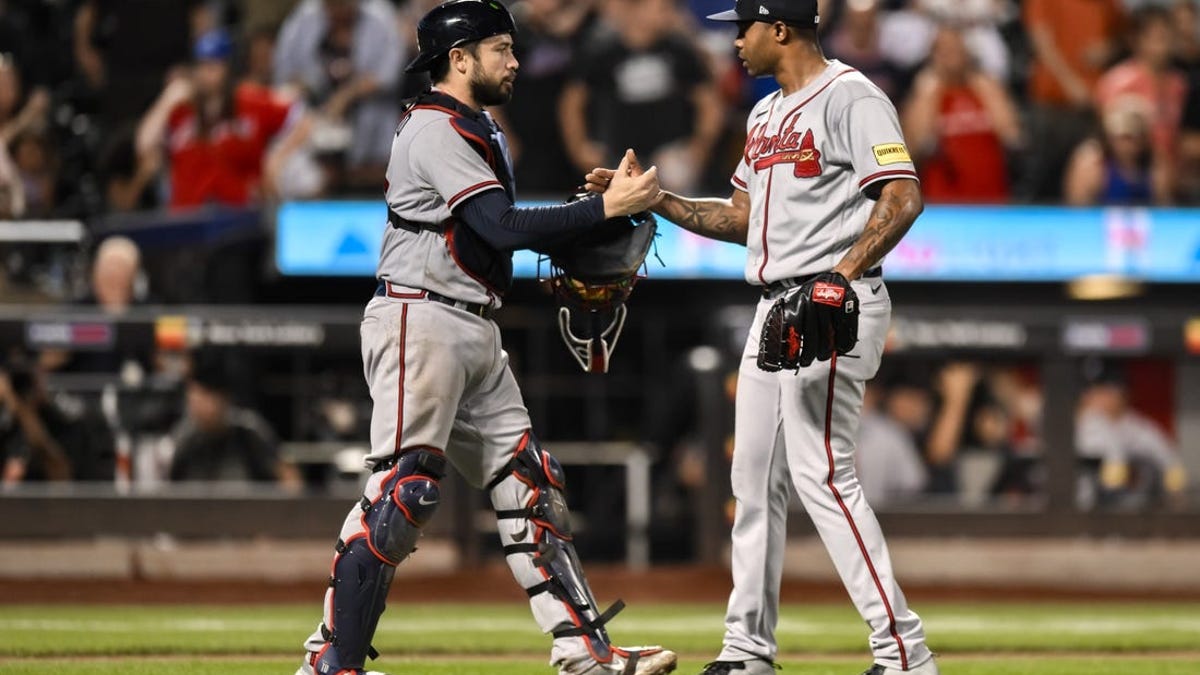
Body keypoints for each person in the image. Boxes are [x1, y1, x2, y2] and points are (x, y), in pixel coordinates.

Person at [294, 2, 675, 675]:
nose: (516, 61)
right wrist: (603, 210)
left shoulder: (480, 128)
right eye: (501, 49)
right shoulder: (435, 126)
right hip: (421, 318)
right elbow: (499, 226)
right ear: (460, 57)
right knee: (402, 493)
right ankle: (333, 662)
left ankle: (584, 653)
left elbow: (493, 230)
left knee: (531, 485)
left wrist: (587, 216)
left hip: (468, 323)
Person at [586, 1, 937, 672]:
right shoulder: (764, 114)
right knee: (751, 480)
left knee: (824, 474)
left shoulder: (852, 95)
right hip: (776, 305)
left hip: (834, 301)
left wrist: (840, 274)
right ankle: (748, 649)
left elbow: (902, 196)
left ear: (780, 28)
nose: (734, 41)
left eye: (742, 27)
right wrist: (657, 201)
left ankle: (905, 654)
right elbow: (740, 217)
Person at [137, 28, 313, 209]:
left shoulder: (250, 102)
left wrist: (276, 160)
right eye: (202, 66)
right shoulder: (181, 109)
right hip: (186, 220)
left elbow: (303, 119)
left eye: (214, 66)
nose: (207, 74)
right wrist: (166, 102)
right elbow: (144, 144)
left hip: (240, 218)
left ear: (229, 69)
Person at [560, 0, 723, 193]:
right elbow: (572, 102)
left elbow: (709, 103)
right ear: (637, 8)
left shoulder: (680, 49)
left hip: (670, 153)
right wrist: (580, 147)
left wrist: (699, 148)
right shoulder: (601, 50)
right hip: (617, 154)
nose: (670, 14)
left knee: (677, 190)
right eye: (662, 8)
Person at [901, 26, 1020, 204]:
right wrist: (928, 95)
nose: (951, 55)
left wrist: (990, 90)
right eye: (944, 50)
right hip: (943, 206)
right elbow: (916, 148)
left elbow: (1012, 136)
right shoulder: (926, 95)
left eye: (956, 48)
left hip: (993, 203)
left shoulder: (986, 90)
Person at [168, 350, 300, 486]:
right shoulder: (184, 437)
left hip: (246, 505)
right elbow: (164, 485)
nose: (198, 405)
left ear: (224, 399)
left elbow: (289, 477)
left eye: (207, 397)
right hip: (195, 506)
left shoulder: (248, 431)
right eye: (194, 398)